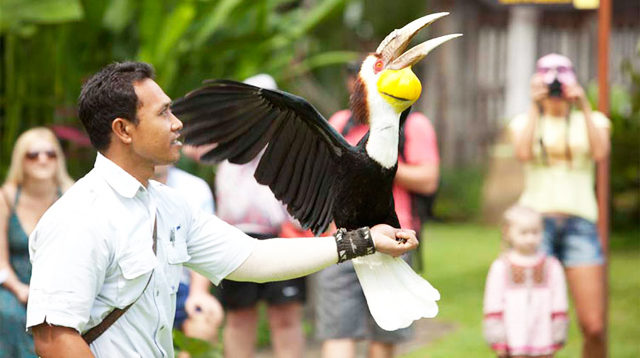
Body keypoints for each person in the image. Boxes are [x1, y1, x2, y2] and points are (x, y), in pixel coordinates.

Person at [25, 61, 418, 357]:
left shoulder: (169, 205)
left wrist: (364, 241)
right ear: (123, 130)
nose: (178, 123)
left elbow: (252, 257)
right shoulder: (78, 217)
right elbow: (54, 337)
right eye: (163, 113)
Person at [315, 62, 440, 358]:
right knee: (338, 332)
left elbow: (428, 179)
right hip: (342, 236)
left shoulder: (412, 124)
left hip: (391, 236)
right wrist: (368, 161)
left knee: (385, 335)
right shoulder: (341, 121)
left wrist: (379, 161)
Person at [509, 53, 610, 358]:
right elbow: (524, 153)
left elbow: (601, 152)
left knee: (594, 325)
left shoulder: (593, 120)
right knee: (534, 321)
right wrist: (533, 105)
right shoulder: (525, 121)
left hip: (581, 223)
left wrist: (583, 105)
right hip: (535, 227)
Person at [213, 73, 308, 358]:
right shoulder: (227, 136)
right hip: (235, 235)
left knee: (286, 316)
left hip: (283, 236)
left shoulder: (291, 139)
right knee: (240, 316)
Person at [0, 127, 74, 357]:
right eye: (33, 155)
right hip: (15, 286)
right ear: (20, 160)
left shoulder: (73, 196)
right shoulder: (6, 197)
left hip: (62, 287)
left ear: (58, 159)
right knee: (9, 314)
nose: (42, 160)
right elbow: (1, 262)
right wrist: (20, 290)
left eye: (50, 154)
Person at [153, 164, 223, 354]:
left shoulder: (194, 188)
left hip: (180, 284)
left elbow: (204, 246)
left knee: (203, 318)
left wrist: (199, 292)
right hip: (136, 286)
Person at [483, 205, 569, 357]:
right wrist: (498, 337)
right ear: (507, 233)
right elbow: (493, 302)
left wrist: (558, 332)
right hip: (513, 339)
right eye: (523, 233)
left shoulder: (551, 266)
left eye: (535, 232)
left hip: (543, 337)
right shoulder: (501, 267)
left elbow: (559, 300)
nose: (530, 238)